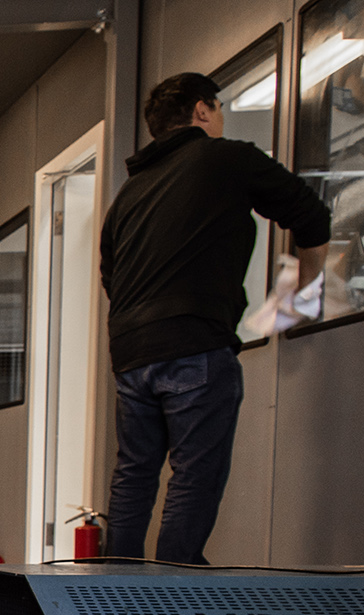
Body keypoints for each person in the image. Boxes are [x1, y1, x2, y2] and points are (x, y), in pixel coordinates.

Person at [99, 72, 332, 563]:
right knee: (193, 473)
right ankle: (173, 588)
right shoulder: (226, 157)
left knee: (135, 473)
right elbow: (310, 214)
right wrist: (306, 291)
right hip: (194, 344)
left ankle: (111, 587)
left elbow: (111, 275)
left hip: (131, 352)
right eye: (219, 109)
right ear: (202, 111)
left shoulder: (128, 197)